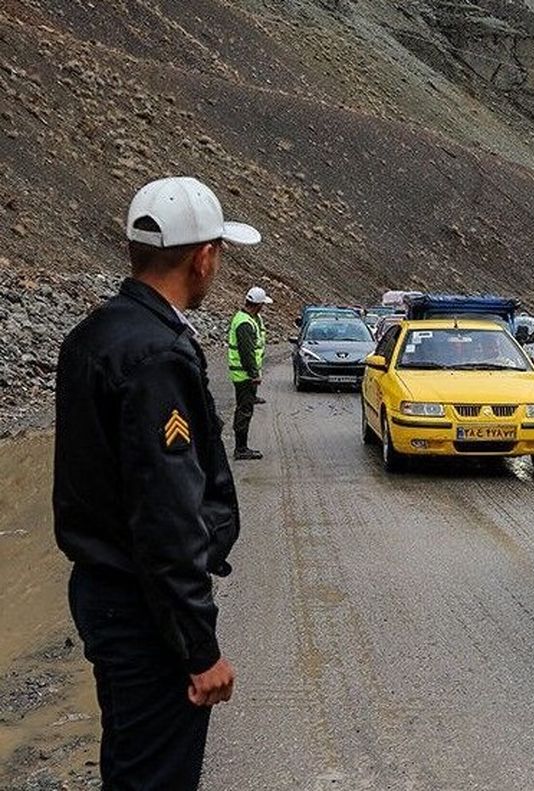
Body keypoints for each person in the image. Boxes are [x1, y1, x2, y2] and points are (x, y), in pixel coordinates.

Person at [53, 176, 260, 789]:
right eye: (218, 254)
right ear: (203, 257)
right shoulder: (159, 355)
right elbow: (165, 515)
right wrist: (198, 648)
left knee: (129, 760)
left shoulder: (92, 336)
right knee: (157, 776)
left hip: (103, 591)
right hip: (143, 612)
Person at [228, 285, 272, 460]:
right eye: (263, 304)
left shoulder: (246, 318)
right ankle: (241, 448)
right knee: (244, 410)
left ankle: (241, 446)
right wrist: (254, 374)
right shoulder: (245, 323)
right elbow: (247, 352)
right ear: (258, 304)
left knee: (245, 407)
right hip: (243, 375)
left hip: (243, 374)